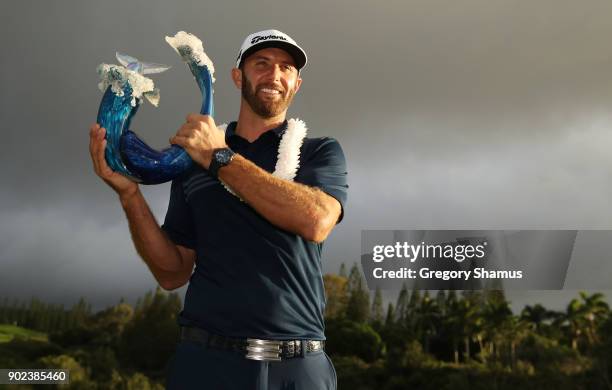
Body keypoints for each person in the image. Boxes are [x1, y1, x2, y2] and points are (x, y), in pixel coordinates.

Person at [89, 29, 348, 389]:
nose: (275, 75)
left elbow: (316, 219)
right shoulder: (191, 162)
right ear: (237, 76)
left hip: (298, 369)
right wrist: (130, 195)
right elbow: (172, 272)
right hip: (205, 365)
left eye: (286, 68)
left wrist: (218, 156)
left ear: (296, 84)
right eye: (262, 64)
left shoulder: (319, 152)